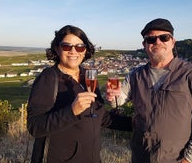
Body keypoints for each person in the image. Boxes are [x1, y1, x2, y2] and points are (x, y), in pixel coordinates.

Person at [106, 18, 192, 163]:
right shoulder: (135, 75)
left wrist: (190, 159)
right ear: (144, 45)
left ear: (173, 42)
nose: (157, 42)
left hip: (177, 158)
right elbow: (118, 100)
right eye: (151, 39)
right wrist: (111, 96)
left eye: (164, 37)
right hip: (141, 156)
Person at [27, 25, 132, 163]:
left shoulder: (88, 76)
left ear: (85, 51)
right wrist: (72, 111)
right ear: (57, 49)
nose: (73, 51)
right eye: (66, 46)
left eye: (79, 47)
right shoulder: (49, 78)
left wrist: (134, 124)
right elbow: (35, 126)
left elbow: (100, 116)